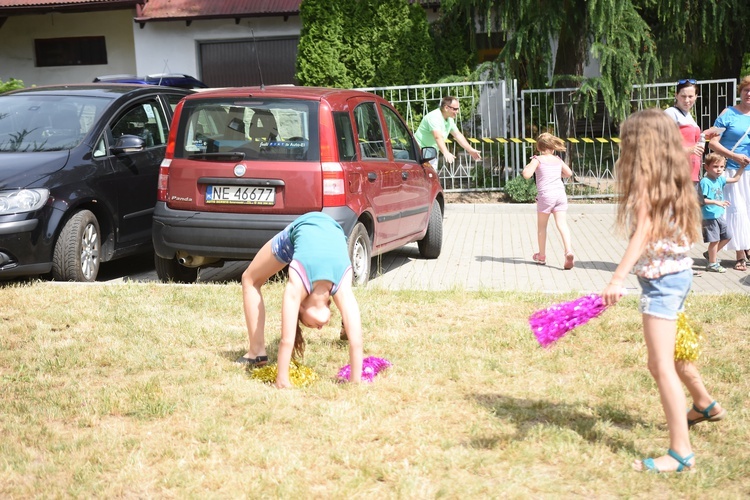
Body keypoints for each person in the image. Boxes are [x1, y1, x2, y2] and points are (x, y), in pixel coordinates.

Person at [602, 109, 725, 473]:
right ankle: (704, 404)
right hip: (679, 274)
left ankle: (680, 454)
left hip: (661, 283)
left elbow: (643, 233)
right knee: (673, 350)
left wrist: (616, 279)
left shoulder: (646, 181)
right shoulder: (671, 177)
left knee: (659, 366)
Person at [238, 212, 363, 388]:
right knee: (249, 279)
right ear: (300, 306)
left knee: (250, 280)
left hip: (334, 231)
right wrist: (281, 379)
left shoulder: (307, 284)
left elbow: (357, 340)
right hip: (310, 228)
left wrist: (356, 381)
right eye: (312, 326)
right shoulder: (332, 283)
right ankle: (255, 351)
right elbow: (286, 340)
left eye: (311, 325)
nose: (320, 328)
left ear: (300, 306)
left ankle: (257, 351)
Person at [708, 75, 750, 271]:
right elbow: (713, 142)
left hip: (748, 171)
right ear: (740, 92)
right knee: (737, 211)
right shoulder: (728, 113)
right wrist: (734, 156)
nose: (749, 94)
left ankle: (744, 247)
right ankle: (739, 255)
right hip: (732, 170)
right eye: (746, 90)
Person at [521, 132, 575, 269]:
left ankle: (542, 256)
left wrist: (526, 168)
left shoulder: (537, 159)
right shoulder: (558, 160)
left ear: (538, 148)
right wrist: (558, 174)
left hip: (546, 196)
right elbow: (569, 173)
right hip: (560, 194)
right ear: (552, 147)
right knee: (562, 224)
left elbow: (527, 175)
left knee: (542, 227)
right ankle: (568, 250)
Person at [700, 153, 744, 272]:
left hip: (718, 215)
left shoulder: (719, 179)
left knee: (728, 235)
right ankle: (712, 264)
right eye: (715, 167)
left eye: (721, 167)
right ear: (707, 167)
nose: (719, 170)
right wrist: (716, 202)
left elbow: (735, 179)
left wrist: (742, 167)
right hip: (709, 216)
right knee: (714, 240)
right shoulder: (705, 181)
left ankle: (710, 255)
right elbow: (701, 199)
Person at [414, 96, 482, 167]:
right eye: (455, 109)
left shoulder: (450, 120)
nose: (457, 112)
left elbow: (458, 135)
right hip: (418, 152)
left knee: (431, 177)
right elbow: (437, 137)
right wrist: (446, 152)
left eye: (458, 109)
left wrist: (470, 150)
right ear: (446, 108)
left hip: (430, 154)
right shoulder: (434, 117)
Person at [664, 79, 706, 184]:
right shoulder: (670, 113)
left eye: (690, 96)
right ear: (676, 95)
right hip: (676, 174)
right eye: (683, 96)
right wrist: (688, 150)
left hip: (691, 174)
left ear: (696, 96)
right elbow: (662, 145)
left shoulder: (688, 115)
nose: (687, 100)